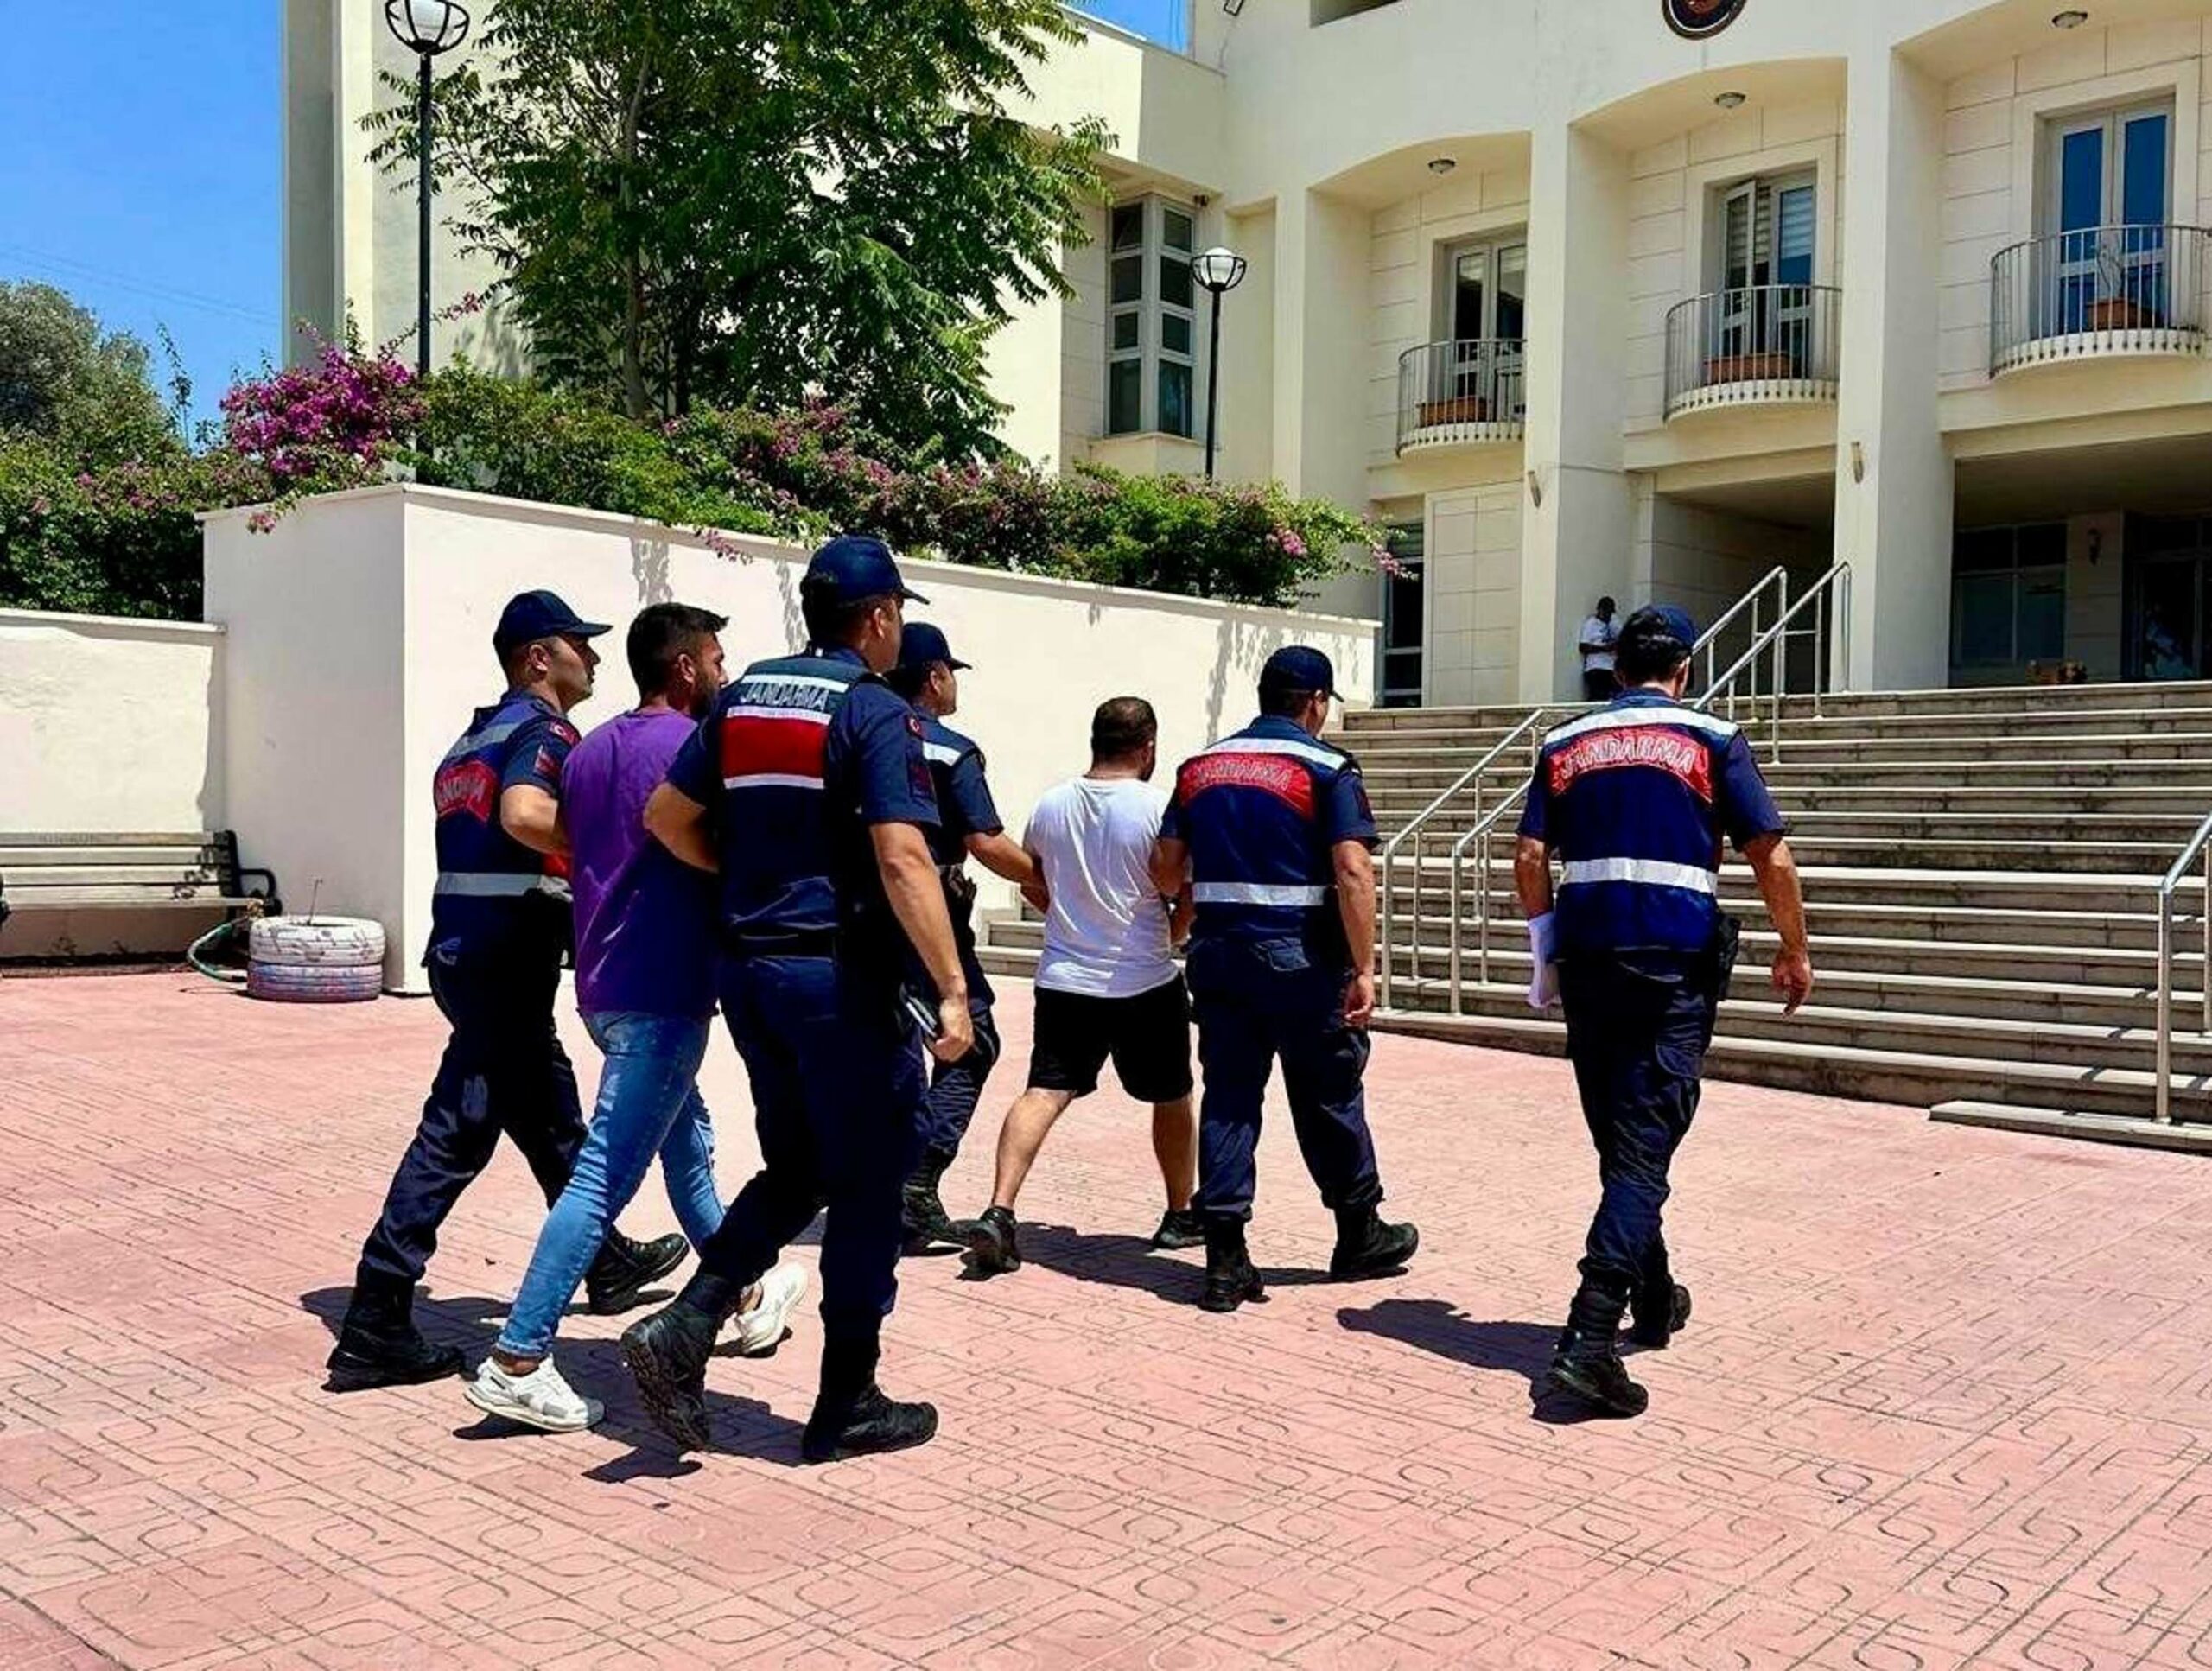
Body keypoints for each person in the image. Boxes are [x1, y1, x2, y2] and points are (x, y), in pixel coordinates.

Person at [620, 537, 973, 1462]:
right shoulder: (872, 711)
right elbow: (902, 857)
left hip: (751, 972)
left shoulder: (743, 698)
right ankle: (847, 1398)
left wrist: (743, 880)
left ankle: (690, 1321)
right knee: (868, 1181)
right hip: (838, 980)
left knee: (801, 1164)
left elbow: (666, 818)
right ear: (880, 617)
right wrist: (951, 988)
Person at [327, 590, 689, 1393]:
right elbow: (526, 815)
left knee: (546, 1108)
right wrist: (603, 849)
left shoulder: (472, 739)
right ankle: (377, 1313)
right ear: (538, 658)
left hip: (463, 950)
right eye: (578, 645)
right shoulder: (544, 733)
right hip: (505, 953)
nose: (593, 658)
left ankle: (606, 1259)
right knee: (458, 1128)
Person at [463, 604, 809, 1433]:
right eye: (716, 659)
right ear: (685, 667)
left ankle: (741, 1294)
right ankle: (517, 1357)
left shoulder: (587, 752)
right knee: (601, 1180)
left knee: (688, 1149)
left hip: (603, 986)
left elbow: (574, 840)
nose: (725, 672)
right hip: (665, 991)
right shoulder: (697, 748)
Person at [1516, 603, 1814, 1418]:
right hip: (1671, 968)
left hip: (1588, 963)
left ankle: (1654, 1296)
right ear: (1684, 670)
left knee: (1622, 1140)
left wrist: (1544, 950)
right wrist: (1793, 948)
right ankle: (1589, 1336)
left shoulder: (1564, 743)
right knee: (1643, 1149)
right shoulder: (1713, 739)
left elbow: (1530, 854)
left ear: (1616, 671)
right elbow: (1770, 854)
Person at [1152, 646, 1417, 1314]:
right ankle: (1359, 1232)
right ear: (1316, 702)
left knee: (1229, 1099)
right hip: (1302, 960)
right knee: (1328, 1094)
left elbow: (1165, 869)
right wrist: (1365, 968)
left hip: (1219, 957)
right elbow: (1353, 870)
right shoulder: (1326, 768)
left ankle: (1224, 1258)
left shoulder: (1199, 768)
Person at [961, 697, 1202, 1279]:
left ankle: (999, 1209)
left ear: (1095, 740)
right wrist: (1172, 932)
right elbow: (1182, 887)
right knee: (1171, 1095)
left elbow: (1033, 881)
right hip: (1145, 980)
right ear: (1148, 748)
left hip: (1065, 979)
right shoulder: (1156, 808)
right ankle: (1179, 1213)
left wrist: (1066, 920)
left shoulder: (1051, 804)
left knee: (1043, 1092)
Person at [880, 621, 1049, 1255]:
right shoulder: (951, 750)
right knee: (970, 1042)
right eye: (951, 672)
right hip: (928, 917)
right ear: (934, 677)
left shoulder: (860, 732)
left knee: (890, 1048)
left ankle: (888, 1188)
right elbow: (984, 842)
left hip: (856, 913)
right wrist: (1046, 882)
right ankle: (916, 1182)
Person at [1579, 597, 1620, 702]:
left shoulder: (1614, 623)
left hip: (1612, 667)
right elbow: (1583, 646)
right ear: (1600, 610)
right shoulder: (1591, 624)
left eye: (1610, 613)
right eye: (1606, 613)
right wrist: (1603, 649)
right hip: (1596, 667)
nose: (1608, 616)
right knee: (1598, 697)